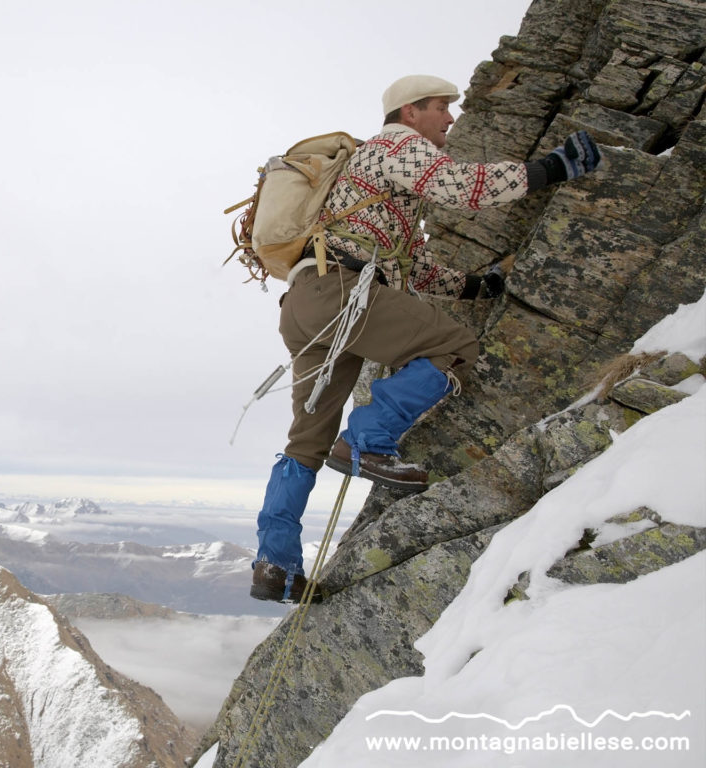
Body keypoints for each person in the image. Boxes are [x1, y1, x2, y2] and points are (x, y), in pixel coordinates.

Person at [251, 74, 601, 602]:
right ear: (410, 112)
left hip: (307, 303)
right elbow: (464, 189)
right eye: (441, 107)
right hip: (341, 292)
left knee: (305, 441)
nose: (451, 118)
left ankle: (274, 566)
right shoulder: (395, 144)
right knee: (455, 346)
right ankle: (368, 442)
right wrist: (553, 167)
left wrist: (481, 285)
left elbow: (412, 271)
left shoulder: (371, 181)